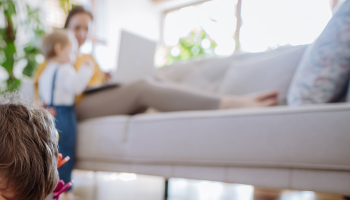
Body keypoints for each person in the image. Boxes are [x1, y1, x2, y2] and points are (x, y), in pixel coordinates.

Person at [34, 6, 278, 122]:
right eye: (76, 28)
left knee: (153, 79)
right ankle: (229, 103)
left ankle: (219, 99)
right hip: (74, 108)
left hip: (96, 99)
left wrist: (108, 79)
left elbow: (96, 85)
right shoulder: (53, 62)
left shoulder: (89, 60)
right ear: (65, 30)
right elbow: (40, 95)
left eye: (86, 29)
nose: (81, 33)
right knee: (142, 87)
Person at [38, 30, 94, 200]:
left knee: (52, 153)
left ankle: (49, 189)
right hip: (64, 113)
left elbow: (43, 96)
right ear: (59, 49)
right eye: (71, 51)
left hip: (49, 113)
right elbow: (76, 87)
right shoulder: (65, 69)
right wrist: (86, 69)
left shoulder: (45, 72)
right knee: (65, 151)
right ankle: (65, 191)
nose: (75, 56)